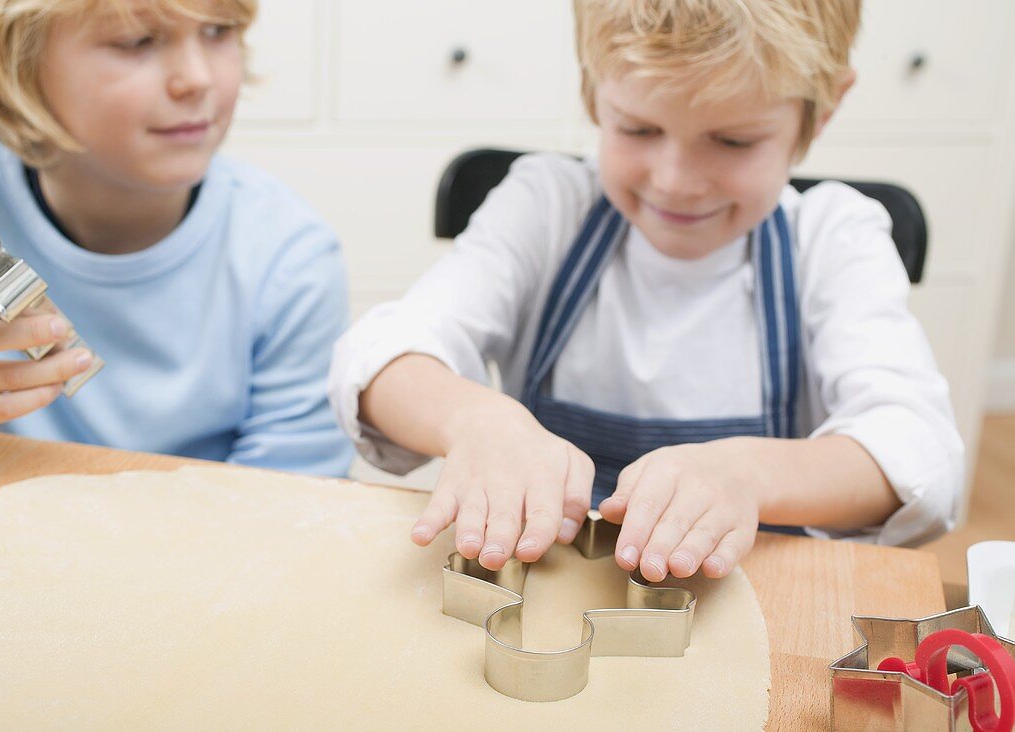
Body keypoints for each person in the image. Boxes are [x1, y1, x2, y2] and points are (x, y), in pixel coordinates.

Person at [329, 0, 963, 580]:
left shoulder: (833, 239)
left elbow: (920, 452)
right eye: (638, 130)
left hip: (756, 599)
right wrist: (476, 420)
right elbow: (381, 354)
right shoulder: (548, 206)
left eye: (732, 140)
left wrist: (747, 474)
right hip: (544, 593)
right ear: (591, 90)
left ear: (820, 112)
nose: (677, 180)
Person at [0, 0, 353, 477]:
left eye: (219, 30)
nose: (197, 79)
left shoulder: (290, 259)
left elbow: (291, 508)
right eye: (136, 41)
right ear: (14, 62)